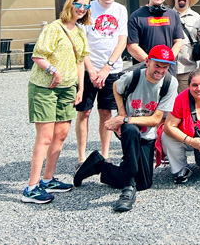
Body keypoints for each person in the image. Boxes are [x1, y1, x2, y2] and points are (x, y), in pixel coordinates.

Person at [74, 45, 178, 212]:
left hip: (147, 133)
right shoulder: (134, 76)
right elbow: (116, 87)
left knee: (144, 183)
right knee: (130, 130)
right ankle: (127, 190)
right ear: (147, 61)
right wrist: (122, 115)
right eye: (157, 64)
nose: (160, 70)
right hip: (129, 131)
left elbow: (155, 120)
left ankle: (98, 164)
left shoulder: (170, 83)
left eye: (165, 66)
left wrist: (124, 118)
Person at [23, 0, 90, 204]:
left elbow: (81, 61)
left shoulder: (80, 31)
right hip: (45, 87)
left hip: (68, 89)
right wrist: (54, 70)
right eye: (78, 4)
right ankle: (31, 187)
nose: (81, 9)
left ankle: (48, 178)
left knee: (61, 135)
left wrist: (80, 88)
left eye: (86, 7)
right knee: (45, 137)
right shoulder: (53, 28)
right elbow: (38, 55)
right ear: (70, 4)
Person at [75, 0, 128, 167]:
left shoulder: (120, 10)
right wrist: (92, 71)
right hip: (89, 67)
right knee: (84, 112)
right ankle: (81, 157)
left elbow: (122, 41)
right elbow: (82, 41)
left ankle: (105, 154)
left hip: (112, 70)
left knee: (106, 112)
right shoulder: (88, 8)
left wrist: (107, 68)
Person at [127, 0, 183, 77]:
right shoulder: (136, 16)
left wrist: (166, 61)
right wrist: (152, 63)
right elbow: (132, 46)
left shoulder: (173, 15)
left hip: (168, 70)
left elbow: (178, 41)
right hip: (144, 70)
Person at [168, 0, 200, 93]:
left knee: (186, 101)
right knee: (167, 102)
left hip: (188, 68)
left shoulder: (197, 18)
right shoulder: (166, 15)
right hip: (168, 68)